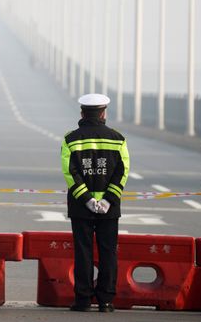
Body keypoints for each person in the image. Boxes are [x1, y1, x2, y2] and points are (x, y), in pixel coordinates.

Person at [61, 93, 130, 313]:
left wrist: (87, 199)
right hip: (110, 209)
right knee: (108, 252)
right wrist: (108, 199)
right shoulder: (118, 139)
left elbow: (70, 173)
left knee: (83, 252)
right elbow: (123, 172)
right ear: (103, 114)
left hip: (81, 207)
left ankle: (82, 300)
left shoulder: (70, 139)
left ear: (82, 113)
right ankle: (106, 301)